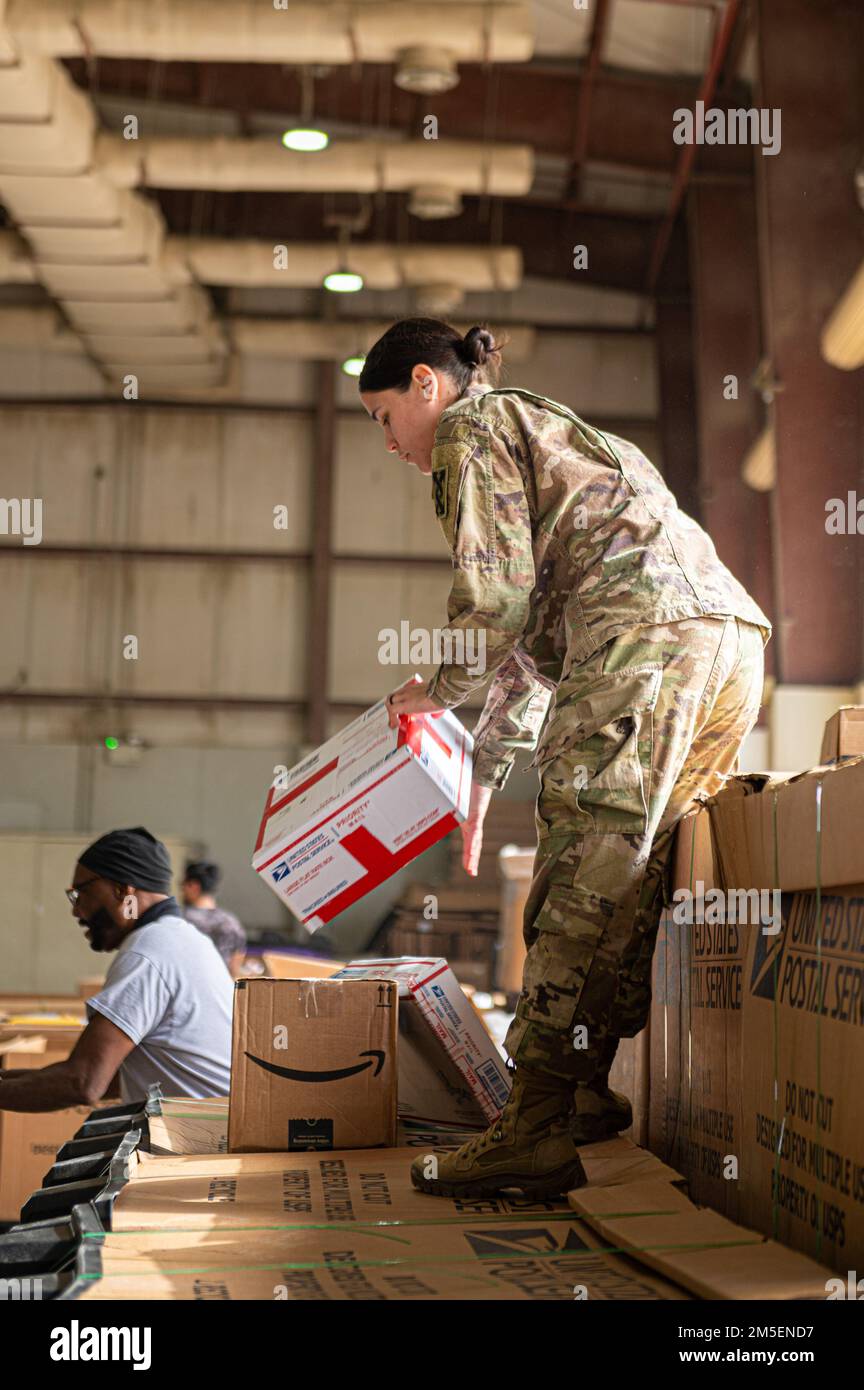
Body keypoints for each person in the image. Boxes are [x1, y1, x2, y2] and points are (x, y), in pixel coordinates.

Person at [359, 317, 772, 1201]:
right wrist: (485, 763)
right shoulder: (550, 430)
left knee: (582, 876)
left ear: (427, 386)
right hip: (724, 641)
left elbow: (495, 607)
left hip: (644, 639)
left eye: (384, 417)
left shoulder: (470, 433)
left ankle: (533, 1125)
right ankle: (577, 1090)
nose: (391, 445)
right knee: (631, 874)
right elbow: (536, 640)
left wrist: (432, 688)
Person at [0, 828, 234, 1112]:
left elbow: (83, 1082)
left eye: (79, 893)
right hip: (212, 1134)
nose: (76, 911)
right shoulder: (184, 939)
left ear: (123, 890)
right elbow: (109, 1076)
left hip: (200, 1145)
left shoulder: (148, 952)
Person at [181, 859, 247, 978]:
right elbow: (235, 967)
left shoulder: (180, 920)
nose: (183, 890)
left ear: (193, 886)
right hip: (221, 991)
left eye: (183, 885)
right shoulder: (231, 922)